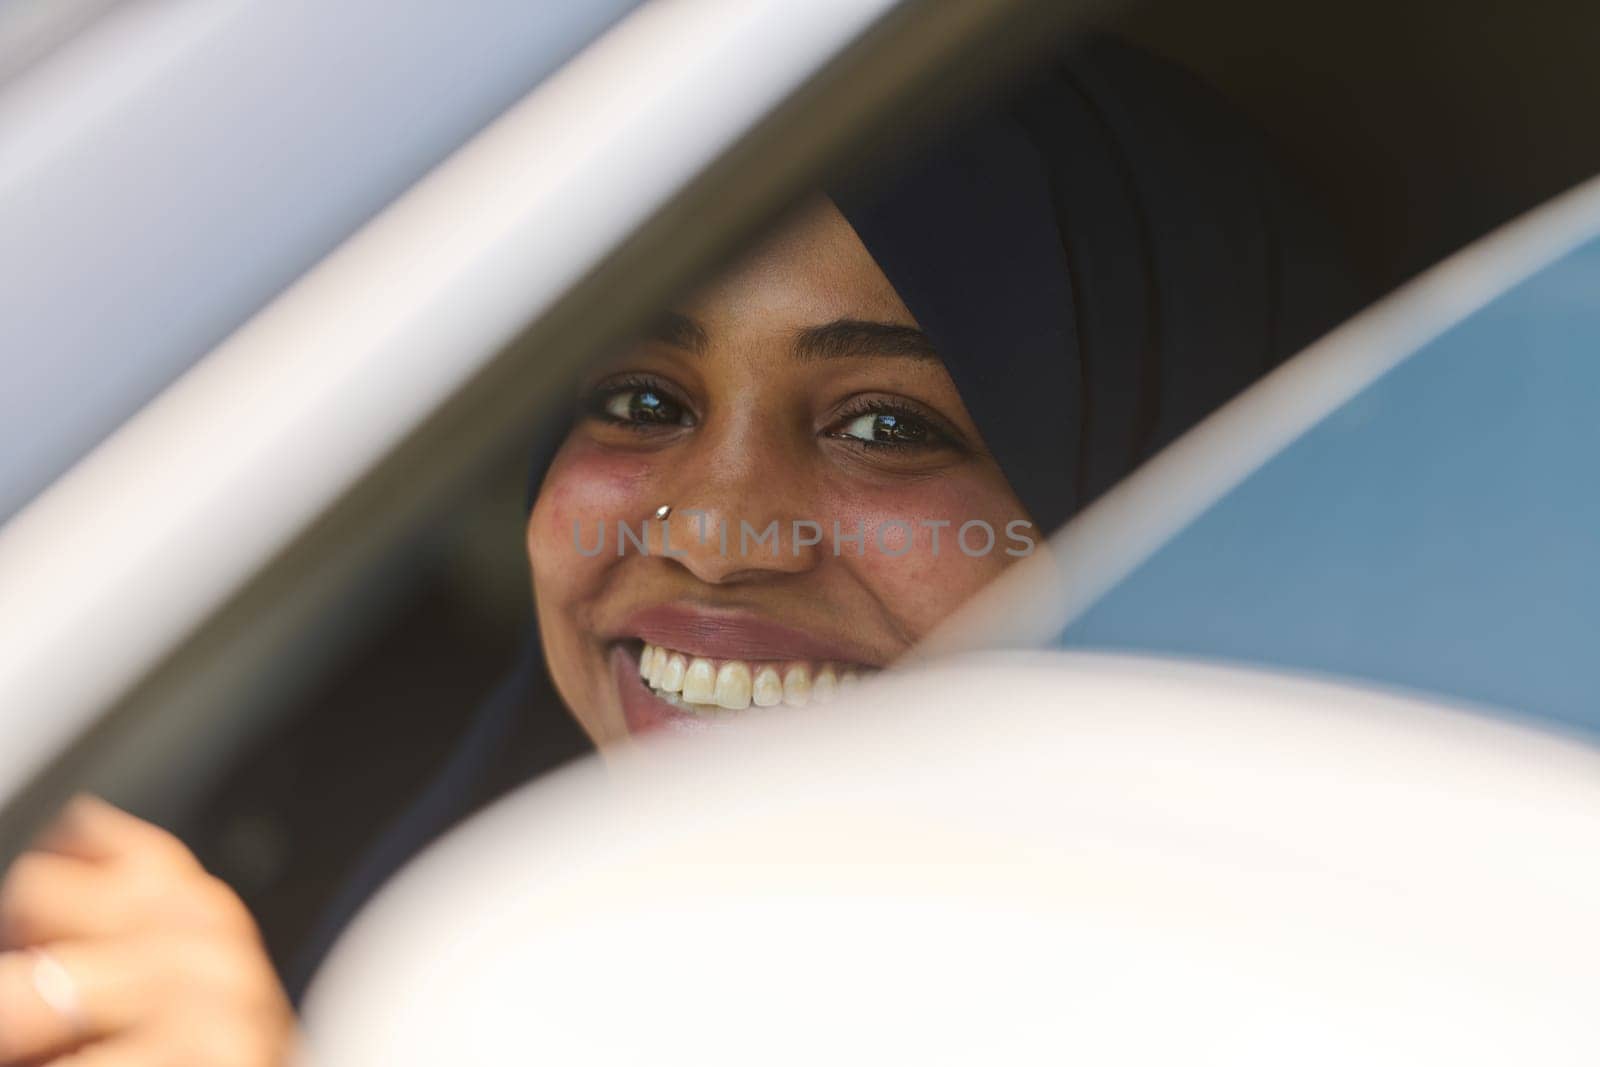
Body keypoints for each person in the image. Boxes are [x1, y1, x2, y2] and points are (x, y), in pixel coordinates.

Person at [0, 36, 1358, 1065]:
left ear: (1148, 486)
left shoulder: (1319, 1003)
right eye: (641, 401)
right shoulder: (408, 893)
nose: (709, 538)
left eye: (889, 423)